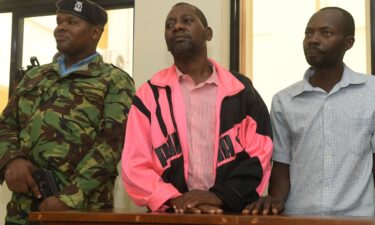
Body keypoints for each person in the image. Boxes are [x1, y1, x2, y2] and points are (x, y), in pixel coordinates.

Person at [121, 2, 273, 214]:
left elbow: (261, 152)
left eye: (187, 21)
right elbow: (134, 164)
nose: (177, 27)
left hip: (230, 213)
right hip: (170, 215)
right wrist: (175, 200)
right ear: (166, 42)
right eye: (169, 25)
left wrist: (219, 196)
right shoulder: (148, 95)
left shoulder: (241, 91)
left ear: (208, 33)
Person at [0, 0, 135, 224]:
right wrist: (11, 161)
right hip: (22, 210)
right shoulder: (35, 76)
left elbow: (112, 144)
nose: (60, 27)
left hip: (82, 209)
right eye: (59, 21)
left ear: (95, 32)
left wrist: (70, 197)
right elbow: (6, 125)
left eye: (72, 22)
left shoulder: (115, 81)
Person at [243, 7, 375, 216]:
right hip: (299, 217)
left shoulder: (371, 92)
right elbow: (281, 165)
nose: (313, 40)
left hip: (359, 217)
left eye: (326, 33)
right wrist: (273, 202)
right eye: (308, 33)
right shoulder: (284, 101)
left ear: (348, 43)